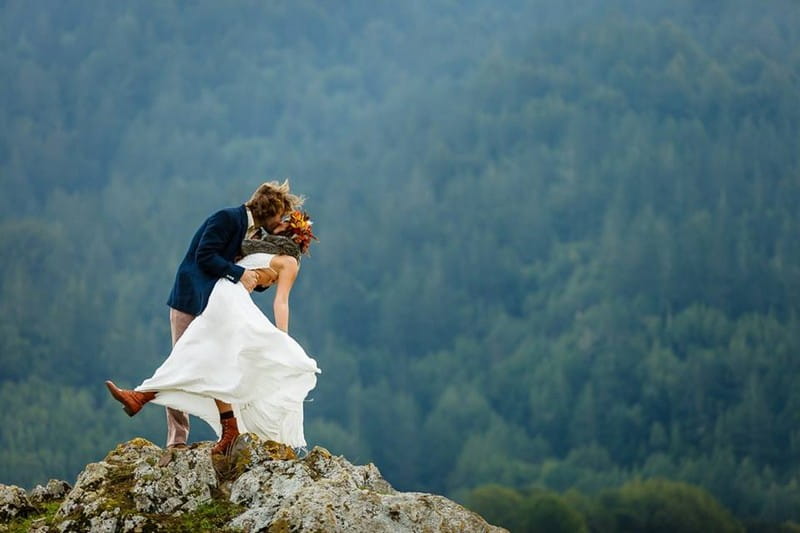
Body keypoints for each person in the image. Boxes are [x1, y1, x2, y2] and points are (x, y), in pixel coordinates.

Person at [105, 210, 320, 455]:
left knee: (203, 354)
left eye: (283, 224)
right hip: (224, 296)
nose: (277, 224)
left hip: (226, 297)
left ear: (290, 233)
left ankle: (142, 397)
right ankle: (224, 426)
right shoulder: (268, 251)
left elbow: (280, 301)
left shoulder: (276, 256)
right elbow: (271, 292)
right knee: (208, 357)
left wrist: (282, 340)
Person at [142, 180, 303, 450]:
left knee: (219, 364)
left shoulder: (251, 231)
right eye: (280, 213)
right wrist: (241, 274)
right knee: (181, 361)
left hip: (213, 303)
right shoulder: (227, 218)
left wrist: (260, 276)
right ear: (268, 209)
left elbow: (244, 270)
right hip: (190, 297)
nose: (281, 218)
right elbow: (205, 256)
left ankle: (229, 430)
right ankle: (177, 438)